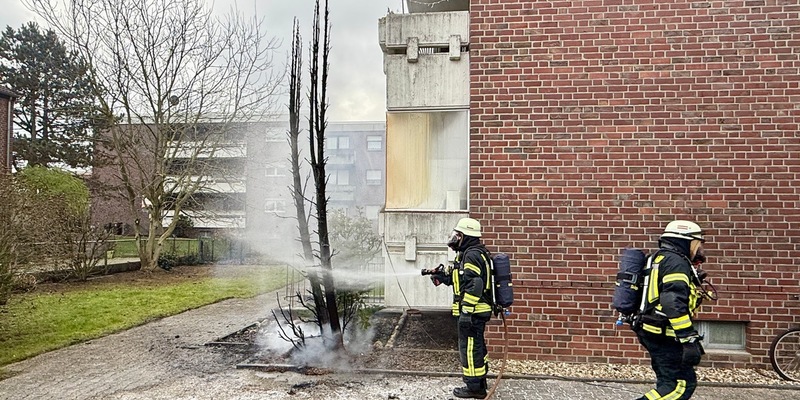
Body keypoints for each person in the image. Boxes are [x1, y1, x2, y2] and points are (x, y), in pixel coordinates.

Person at [634, 220, 709, 400]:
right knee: (679, 387)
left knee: (667, 383)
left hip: (651, 330)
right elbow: (672, 302)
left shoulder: (660, 257)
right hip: (664, 334)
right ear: (684, 241)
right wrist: (688, 339)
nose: (699, 248)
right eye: (697, 243)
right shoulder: (676, 263)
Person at [429, 217, 493, 399]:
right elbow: (462, 280)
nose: (455, 238)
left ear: (466, 236)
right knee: (477, 346)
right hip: (476, 311)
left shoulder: (471, 255)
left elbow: (475, 283)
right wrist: (443, 277)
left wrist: (466, 311)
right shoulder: (470, 253)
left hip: (473, 312)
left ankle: (474, 388)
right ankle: (480, 382)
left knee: (470, 348)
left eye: (458, 234)